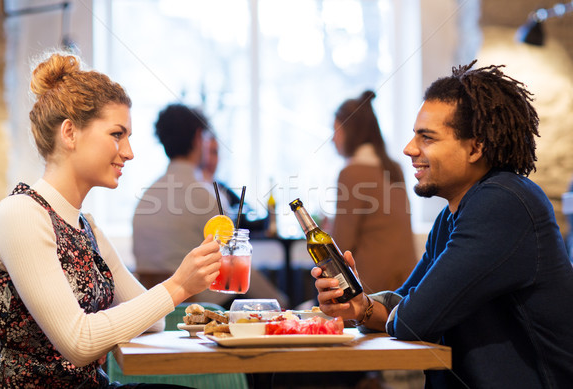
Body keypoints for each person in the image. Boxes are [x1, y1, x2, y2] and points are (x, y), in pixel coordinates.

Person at [312, 61, 573, 388]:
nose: (409, 149)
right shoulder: (452, 215)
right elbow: (403, 302)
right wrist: (360, 306)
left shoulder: (503, 202)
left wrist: (394, 312)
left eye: (427, 138)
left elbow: (413, 320)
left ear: (476, 147)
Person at [0, 52, 222, 388]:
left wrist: (177, 288)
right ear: (70, 133)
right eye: (117, 134)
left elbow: (156, 322)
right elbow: (79, 344)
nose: (129, 152)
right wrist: (179, 285)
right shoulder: (21, 215)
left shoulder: (85, 227)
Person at [133, 104, 288, 308]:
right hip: (201, 307)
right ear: (199, 138)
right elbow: (236, 263)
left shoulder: (145, 197)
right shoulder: (204, 196)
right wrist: (282, 303)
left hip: (153, 307)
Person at [331, 90, 417, 293]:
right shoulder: (394, 168)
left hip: (372, 288)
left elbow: (341, 246)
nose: (333, 140)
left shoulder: (352, 173)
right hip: (408, 282)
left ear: (349, 131)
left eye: (335, 131)